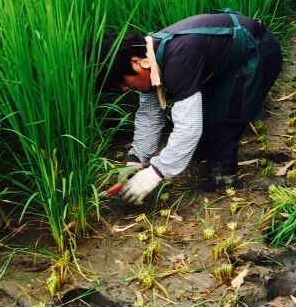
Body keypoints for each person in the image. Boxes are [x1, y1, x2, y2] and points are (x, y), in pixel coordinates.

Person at [97, 11, 282, 203]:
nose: (126, 89)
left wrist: (155, 173)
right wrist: (136, 161)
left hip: (259, 51)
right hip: (226, 63)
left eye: (123, 83)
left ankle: (224, 188)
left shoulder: (178, 57)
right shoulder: (149, 57)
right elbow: (150, 116)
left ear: (136, 62)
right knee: (202, 138)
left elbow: (189, 128)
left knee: (222, 124)